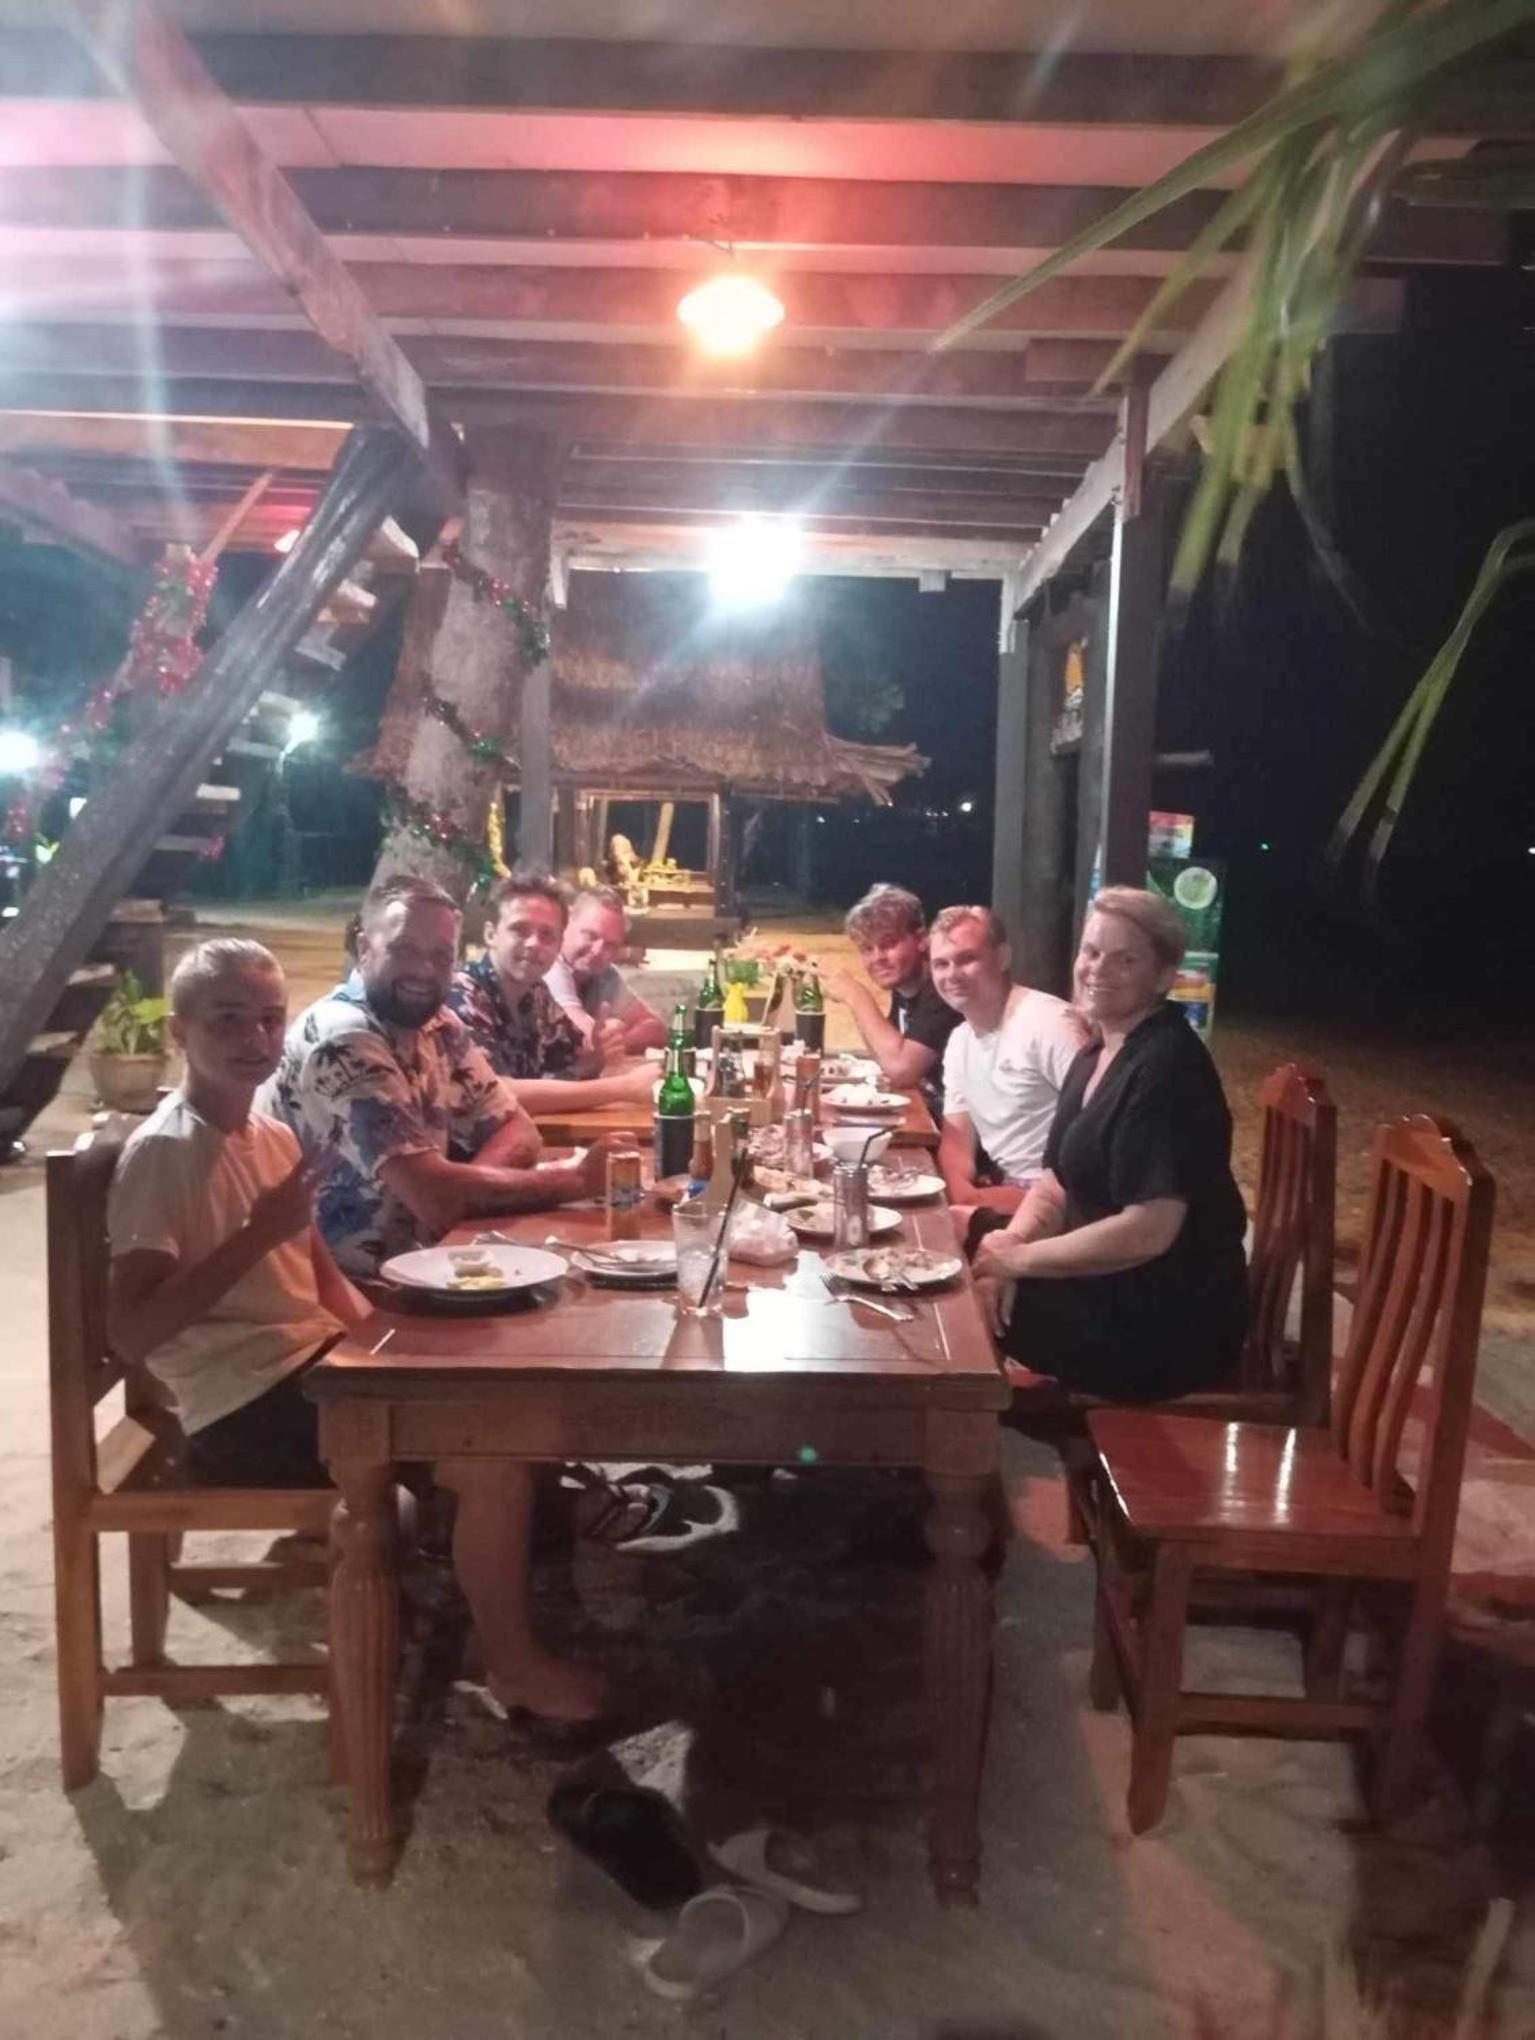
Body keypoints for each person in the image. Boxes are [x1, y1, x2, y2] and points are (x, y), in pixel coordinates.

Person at [109, 936, 603, 1720]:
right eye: (228, 1020)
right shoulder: (166, 1150)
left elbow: (320, 1276)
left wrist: (395, 1349)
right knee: (489, 1458)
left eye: (270, 1019)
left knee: (496, 1387)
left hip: (309, 1365)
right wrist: (256, 1234)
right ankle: (512, 1667)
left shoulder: (270, 1134)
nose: (255, 1039)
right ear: (179, 1032)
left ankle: (484, 1589)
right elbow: (131, 1334)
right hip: (239, 1406)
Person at [263, 873, 623, 1281]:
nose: (424, 970)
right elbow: (435, 1198)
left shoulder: (437, 1021)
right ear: (364, 949)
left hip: (429, 1265)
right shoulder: (344, 1038)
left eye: (440, 956)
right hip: (348, 1290)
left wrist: (459, 1199)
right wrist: (575, 1180)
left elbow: (519, 1131)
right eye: (404, 949)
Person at [972, 887, 1249, 1402]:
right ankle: (967, 1415)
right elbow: (1053, 1184)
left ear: (1163, 976)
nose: (1098, 969)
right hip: (1111, 1283)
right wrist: (1010, 1244)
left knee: (959, 1296)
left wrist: (1016, 1263)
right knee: (967, 1252)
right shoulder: (1097, 1051)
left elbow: (1148, 1232)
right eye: (1092, 951)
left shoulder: (1166, 1067)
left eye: (1126, 960)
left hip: (1166, 1320)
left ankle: (957, 1429)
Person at [447, 866, 655, 1112]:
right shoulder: (462, 996)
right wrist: (623, 1088)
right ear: (491, 935)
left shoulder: (537, 995)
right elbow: (493, 1092)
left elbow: (566, 1068)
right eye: (520, 930)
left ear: (558, 944)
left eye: (547, 935)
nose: (534, 943)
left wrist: (596, 1057)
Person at [930, 905, 1089, 1216]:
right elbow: (957, 1142)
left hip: (1062, 1200)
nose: (952, 974)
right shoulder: (961, 1040)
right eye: (941, 964)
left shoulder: (1047, 1023)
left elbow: (1103, 1130)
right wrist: (966, 1199)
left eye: (967, 959)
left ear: (1003, 957)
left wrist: (981, 1205)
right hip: (1004, 1192)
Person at [823, 884, 960, 1115]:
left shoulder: (943, 989)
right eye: (867, 949)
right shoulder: (905, 985)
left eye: (888, 944)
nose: (878, 958)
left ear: (921, 939)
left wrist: (857, 996)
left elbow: (901, 1070)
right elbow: (885, 1058)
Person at [544, 885, 667, 1056]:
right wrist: (604, 1041)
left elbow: (656, 1029)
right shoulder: (548, 964)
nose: (598, 951)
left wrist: (618, 1042)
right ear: (566, 922)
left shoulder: (605, 974)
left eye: (610, 945)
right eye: (591, 936)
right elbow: (583, 1036)